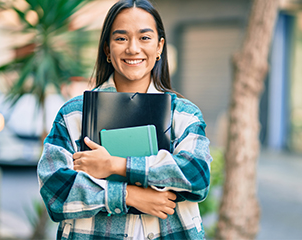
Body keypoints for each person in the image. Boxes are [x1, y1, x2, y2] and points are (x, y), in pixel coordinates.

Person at [37, 0, 212, 239]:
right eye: (121, 38)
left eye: (145, 38)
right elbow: (54, 189)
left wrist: (115, 165)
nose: (132, 48)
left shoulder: (183, 114)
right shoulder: (74, 114)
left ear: (160, 47)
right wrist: (129, 195)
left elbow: (197, 176)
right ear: (107, 49)